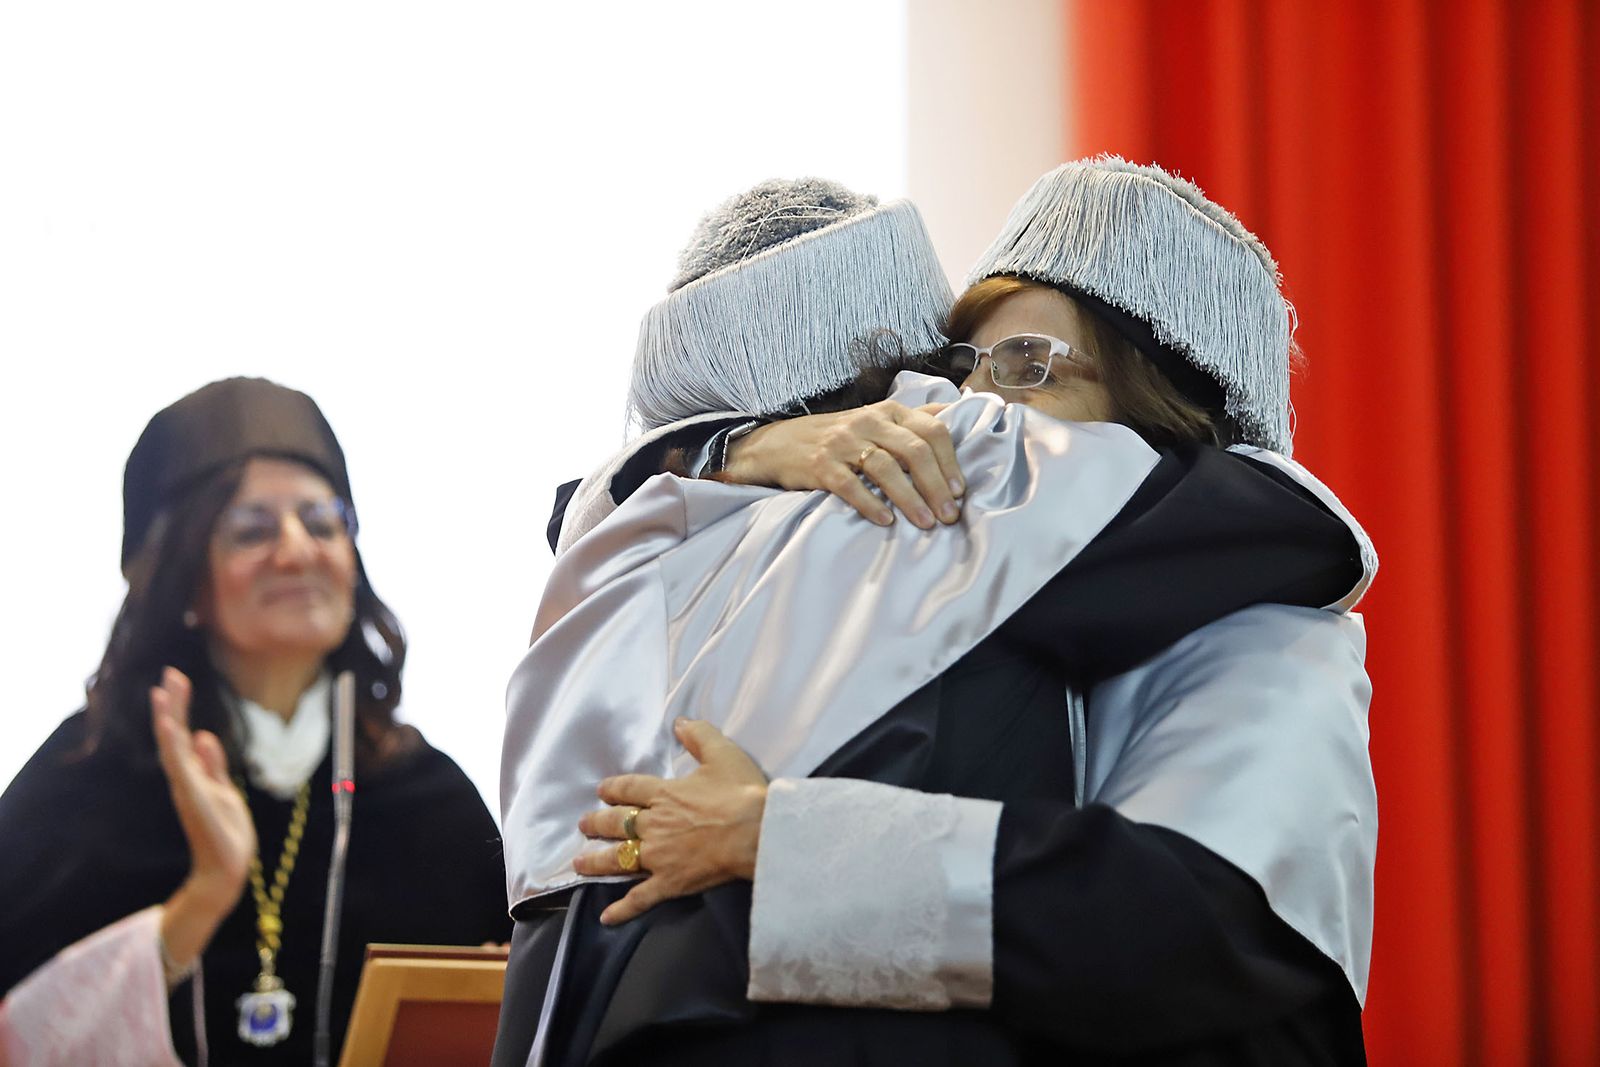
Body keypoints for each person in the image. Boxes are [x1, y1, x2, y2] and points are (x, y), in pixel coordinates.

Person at [496, 163, 1374, 1065]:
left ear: (1169, 405)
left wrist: (781, 840)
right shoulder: (932, 584)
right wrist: (740, 447)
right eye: (960, 371)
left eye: (1026, 367)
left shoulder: (1275, 630)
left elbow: (1192, 932)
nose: (966, 412)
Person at [0, 378, 512, 1064]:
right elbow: (20, 1036)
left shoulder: (430, 797)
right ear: (182, 579)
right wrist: (202, 897)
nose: (298, 551)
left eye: (322, 521)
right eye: (253, 529)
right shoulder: (83, 779)